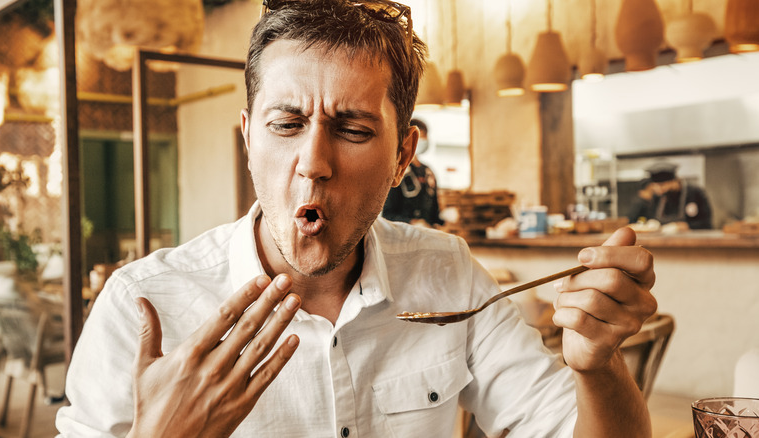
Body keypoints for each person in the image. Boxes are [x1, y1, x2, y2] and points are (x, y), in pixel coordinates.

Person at [56, 1, 657, 437]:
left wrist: (598, 367)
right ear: (247, 139)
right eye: (285, 125)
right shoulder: (145, 306)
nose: (313, 164)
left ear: (402, 157)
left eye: (353, 130)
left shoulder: (447, 273)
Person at [382, 118, 444, 227]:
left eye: (426, 136)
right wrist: (412, 223)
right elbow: (388, 214)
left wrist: (443, 217)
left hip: (425, 237)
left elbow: (434, 212)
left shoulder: (428, 172)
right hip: (401, 237)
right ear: (410, 138)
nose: (425, 139)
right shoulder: (398, 170)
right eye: (422, 136)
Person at [645, 161, 713, 230]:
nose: (659, 190)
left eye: (662, 185)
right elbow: (651, 217)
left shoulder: (695, 193)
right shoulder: (657, 196)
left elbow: (706, 223)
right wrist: (653, 223)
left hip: (693, 239)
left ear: (675, 181)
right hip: (663, 239)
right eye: (655, 186)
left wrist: (684, 226)